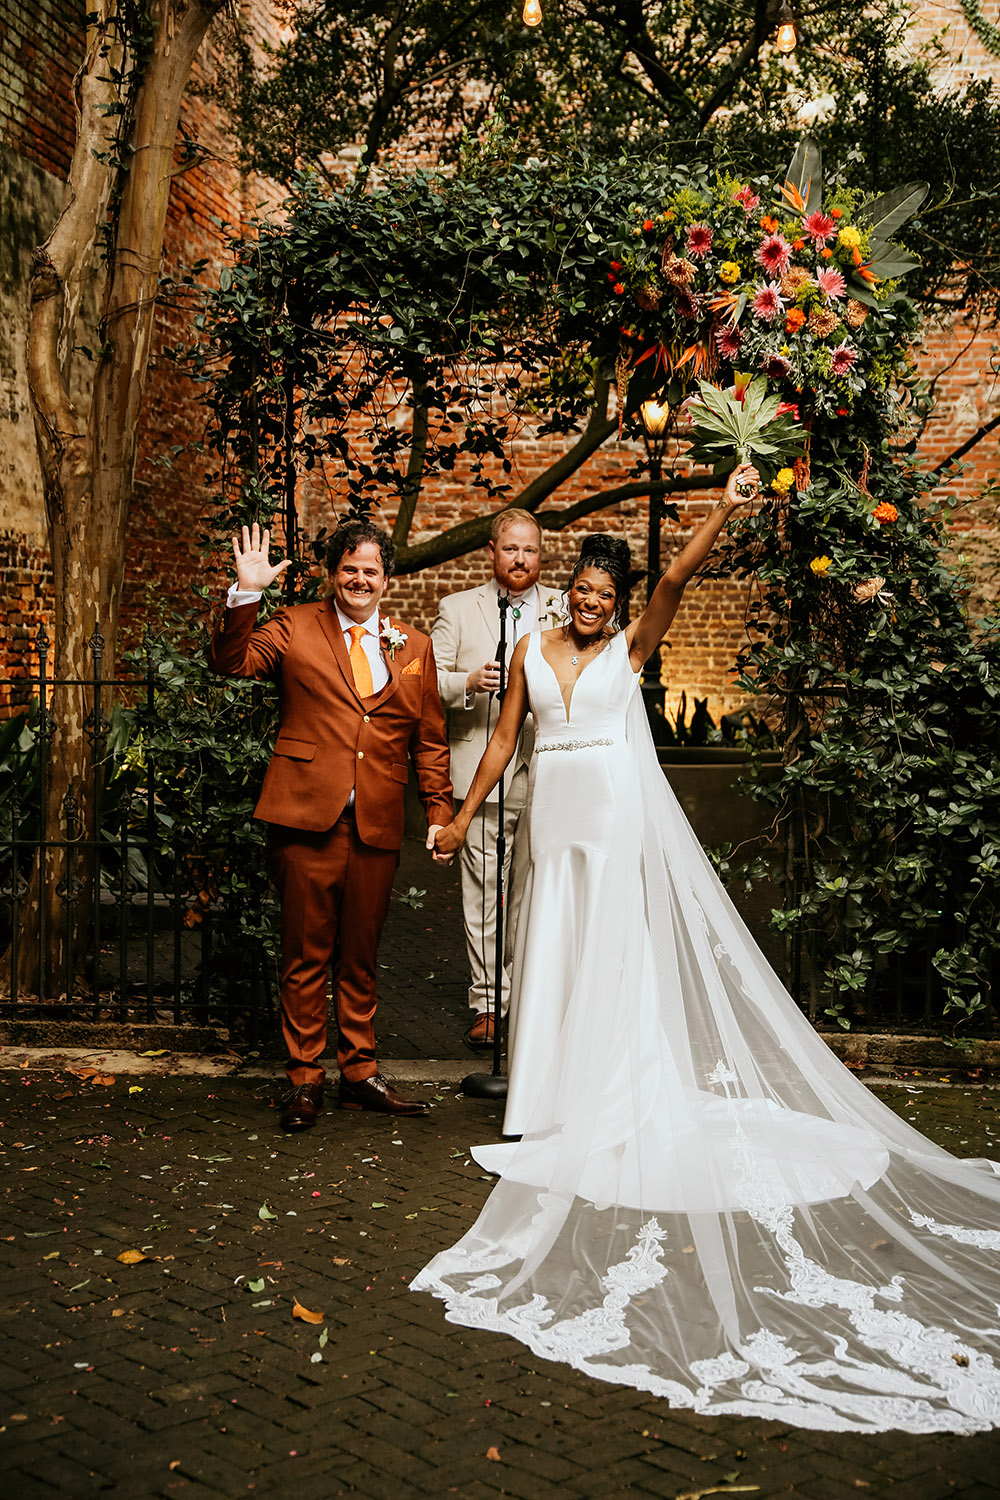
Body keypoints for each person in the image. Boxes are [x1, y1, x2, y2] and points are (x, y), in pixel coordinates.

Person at [412, 468, 1000, 1435]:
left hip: (610, 819)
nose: (594, 606)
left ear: (618, 604)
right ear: (569, 593)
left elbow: (679, 579)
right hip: (553, 826)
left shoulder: (631, 645)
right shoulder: (528, 651)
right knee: (549, 952)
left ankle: (608, 1099)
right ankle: (544, 1107)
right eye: (585, 592)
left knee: (610, 958)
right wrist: (462, 818)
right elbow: (505, 742)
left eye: (607, 596)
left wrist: (724, 508)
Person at [208, 518, 453, 1129]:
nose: (359, 579)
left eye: (371, 570)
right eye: (349, 569)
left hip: (375, 822)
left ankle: (360, 1074)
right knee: (304, 955)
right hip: (304, 818)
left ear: (387, 579)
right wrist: (247, 593)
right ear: (332, 573)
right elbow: (232, 662)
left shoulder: (413, 646)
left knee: (361, 956)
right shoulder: (295, 626)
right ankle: (304, 1079)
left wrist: (439, 810)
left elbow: (428, 740)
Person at [431, 510, 564, 1050]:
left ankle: (527, 996)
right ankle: (488, 1003)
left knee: (533, 892)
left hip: (547, 772)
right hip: (479, 773)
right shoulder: (458, 608)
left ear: (541, 554)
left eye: (530, 550)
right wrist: (467, 681)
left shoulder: (564, 606)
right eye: (511, 549)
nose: (521, 559)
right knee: (484, 893)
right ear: (492, 551)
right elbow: (425, 684)